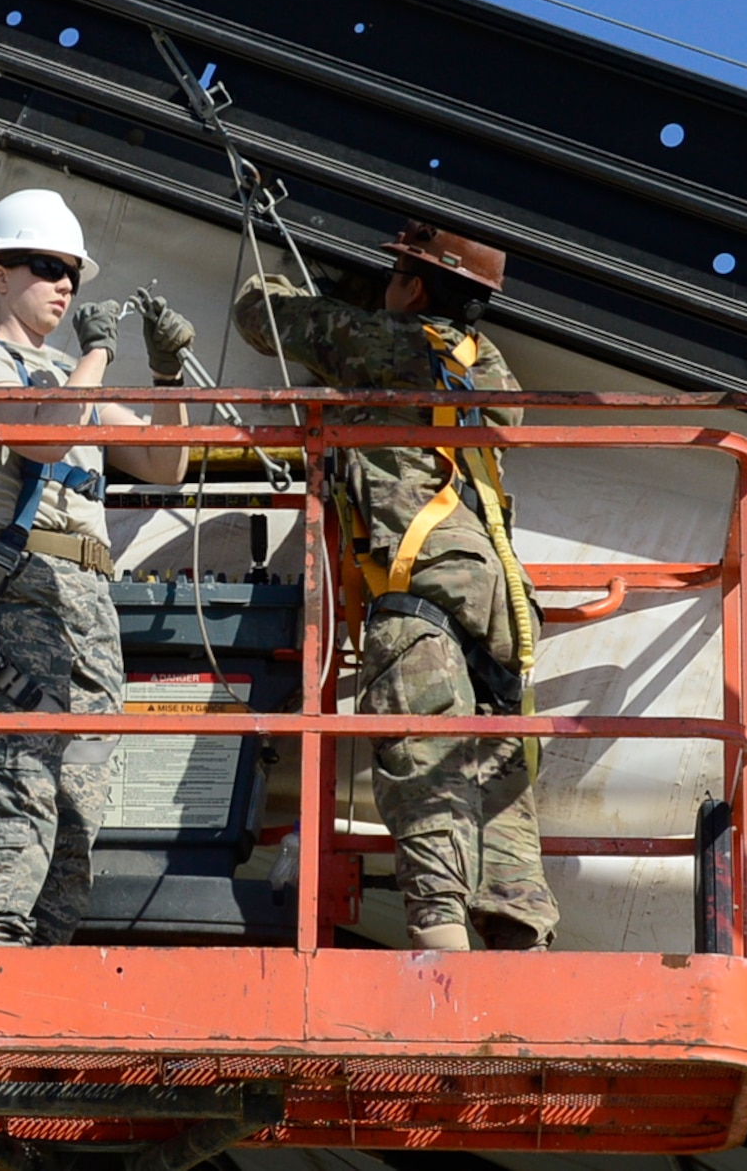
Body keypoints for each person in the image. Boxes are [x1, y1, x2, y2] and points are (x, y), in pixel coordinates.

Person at [233, 223, 558, 952]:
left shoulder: (382, 345)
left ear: (411, 287)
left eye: (395, 278)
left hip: (422, 594)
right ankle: (518, 943)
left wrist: (301, 287)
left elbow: (263, 315)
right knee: (498, 776)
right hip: (501, 604)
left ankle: (442, 958)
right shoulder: (492, 369)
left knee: (428, 767)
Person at [0, 188, 194, 947]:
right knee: (18, 788)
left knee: (79, 810)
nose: (65, 286)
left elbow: (163, 463)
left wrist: (168, 377)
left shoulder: (67, 373)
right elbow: (44, 442)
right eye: (48, 267)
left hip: (87, 601)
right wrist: (99, 354)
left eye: (72, 274)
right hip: (23, 599)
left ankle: (37, 977)